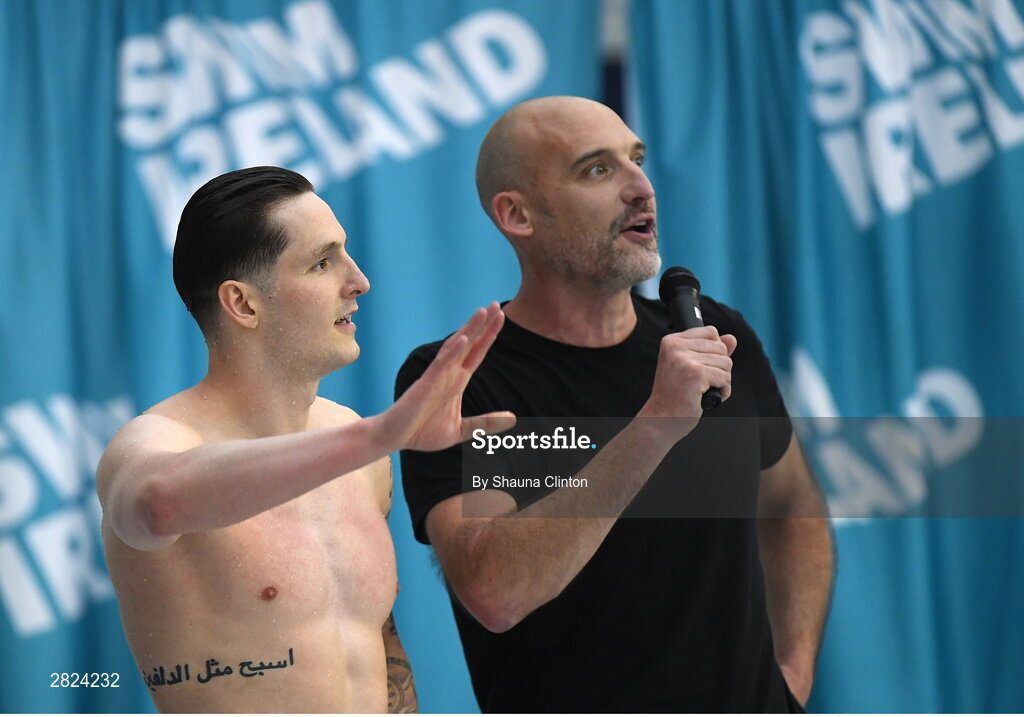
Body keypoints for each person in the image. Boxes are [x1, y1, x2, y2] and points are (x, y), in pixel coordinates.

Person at [396, 97, 835, 712]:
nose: (641, 188)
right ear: (517, 214)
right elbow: (495, 592)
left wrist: (793, 674)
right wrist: (655, 425)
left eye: (637, 159)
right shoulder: (462, 377)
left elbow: (792, 507)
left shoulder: (715, 335)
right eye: (597, 170)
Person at [97, 166, 514, 713]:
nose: (359, 280)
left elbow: (376, 648)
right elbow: (156, 503)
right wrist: (379, 435)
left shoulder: (353, 443)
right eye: (322, 263)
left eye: (345, 253)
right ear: (244, 305)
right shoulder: (155, 442)